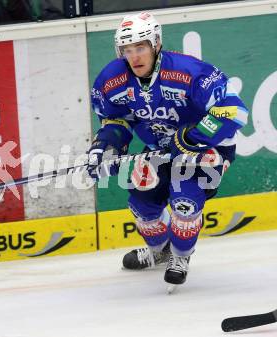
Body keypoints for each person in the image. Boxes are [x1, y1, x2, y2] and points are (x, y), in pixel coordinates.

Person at [87, 12, 248, 288]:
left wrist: (192, 138)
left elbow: (234, 112)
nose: (134, 56)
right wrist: (107, 146)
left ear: (156, 44)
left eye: (140, 47)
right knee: (142, 205)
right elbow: (116, 121)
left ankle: (181, 256)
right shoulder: (111, 81)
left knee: (184, 202)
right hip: (161, 150)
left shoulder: (189, 72)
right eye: (128, 50)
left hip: (207, 149)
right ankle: (161, 251)